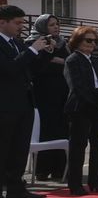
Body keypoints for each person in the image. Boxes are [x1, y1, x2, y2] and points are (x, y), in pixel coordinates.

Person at [0, 5, 49, 198]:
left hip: (23, 103)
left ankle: (15, 188)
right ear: (2, 22)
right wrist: (31, 50)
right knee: (3, 148)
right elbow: (10, 69)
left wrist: (44, 52)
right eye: (17, 23)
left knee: (19, 148)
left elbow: (31, 68)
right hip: (5, 105)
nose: (21, 26)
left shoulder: (16, 43)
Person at [62, 26, 98, 195]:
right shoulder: (72, 60)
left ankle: (96, 182)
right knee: (78, 147)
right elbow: (79, 88)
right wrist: (96, 106)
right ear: (77, 41)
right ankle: (75, 185)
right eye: (88, 40)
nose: (92, 44)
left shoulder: (97, 61)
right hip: (81, 109)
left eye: (95, 40)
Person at [27, 14, 69, 178]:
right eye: (51, 25)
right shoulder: (33, 43)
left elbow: (68, 61)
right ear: (42, 27)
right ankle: (42, 169)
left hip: (62, 93)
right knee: (45, 130)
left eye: (57, 24)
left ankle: (60, 169)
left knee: (61, 129)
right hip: (43, 94)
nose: (56, 27)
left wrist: (55, 59)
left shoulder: (62, 43)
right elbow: (39, 65)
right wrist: (56, 60)